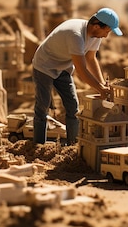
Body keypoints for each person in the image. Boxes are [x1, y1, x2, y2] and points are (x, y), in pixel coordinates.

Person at [32, 8, 122, 145]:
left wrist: (102, 83)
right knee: (42, 107)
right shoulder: (75, 35)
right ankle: (38, 145)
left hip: (63, 67)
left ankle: (72, 144)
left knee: (73, 107)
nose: (106, 36)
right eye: (107, 31)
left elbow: (91, 59)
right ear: (97, 26)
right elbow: (82, 70)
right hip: (45, 65)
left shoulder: (95, 36)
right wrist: (100, 89)